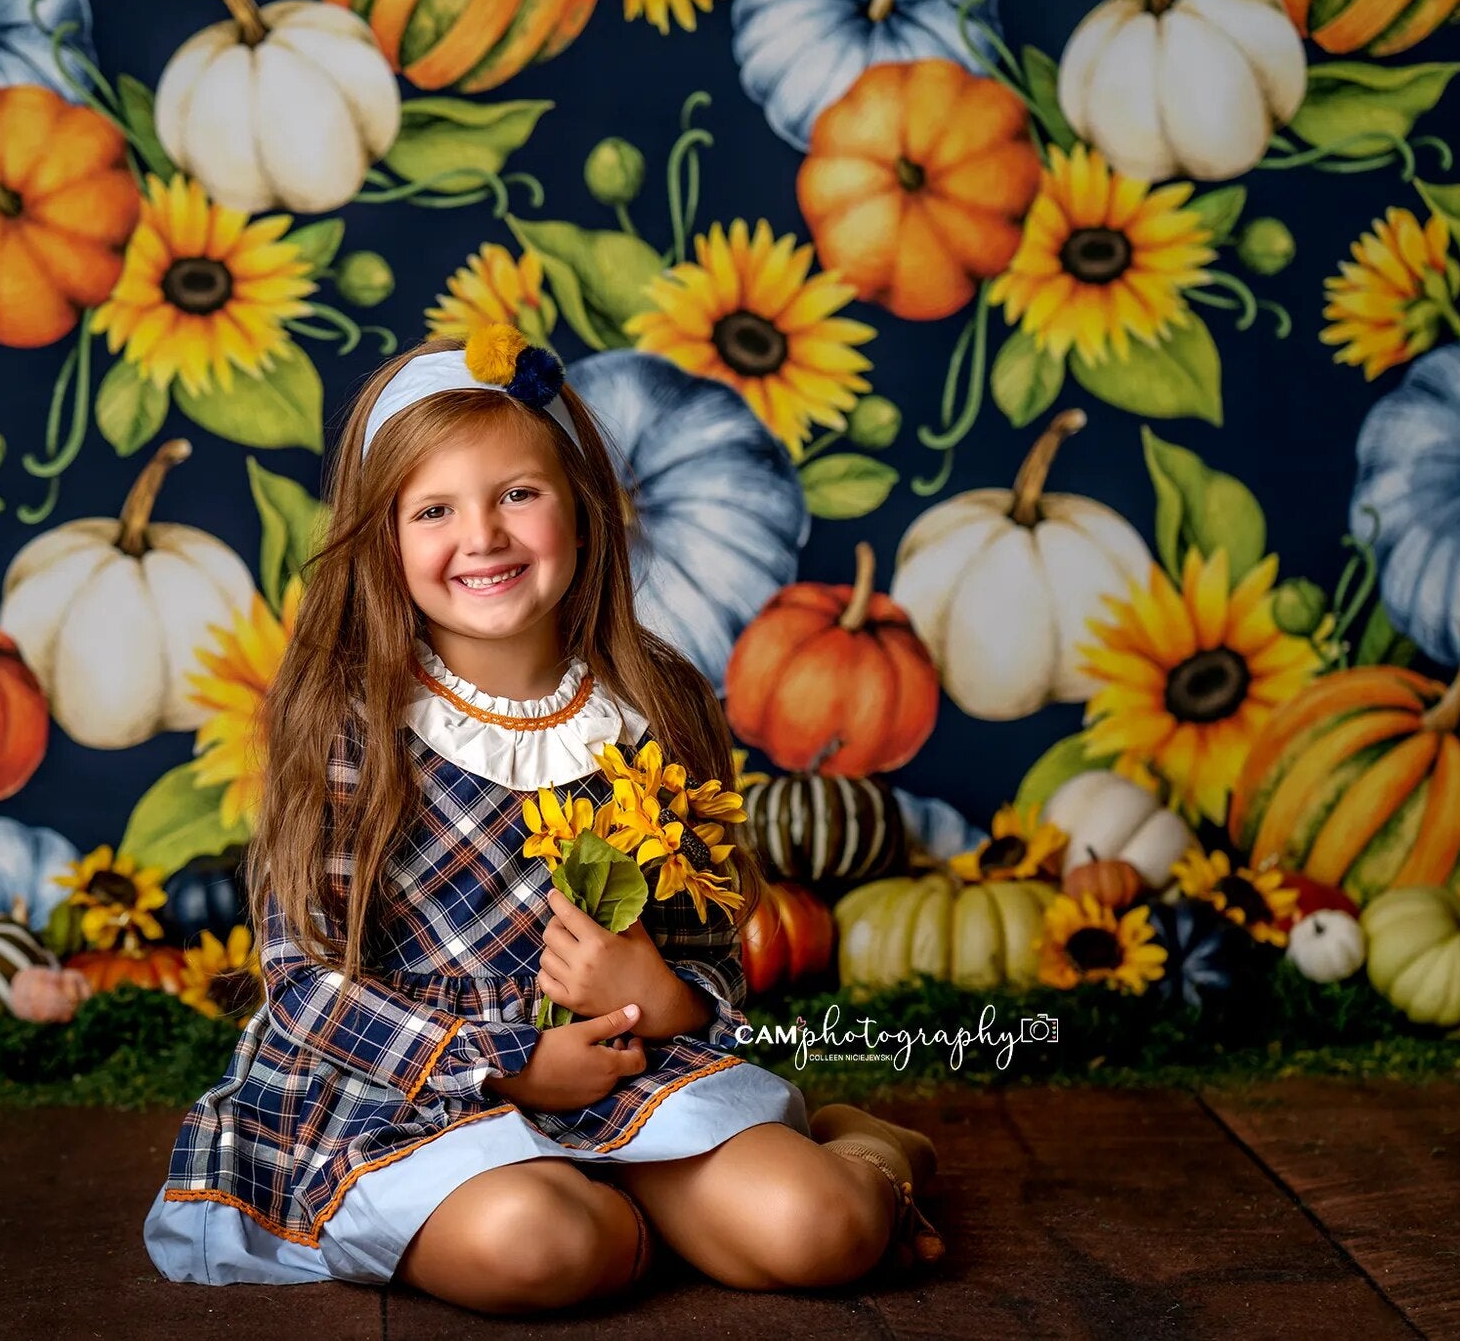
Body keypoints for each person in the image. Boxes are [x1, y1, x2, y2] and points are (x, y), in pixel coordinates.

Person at [143, 325, 941, 1312]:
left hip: (617, 1065)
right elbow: (303, 977)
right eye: (432, 508)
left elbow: (708, 947)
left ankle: (858, 1144)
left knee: (824, 1229)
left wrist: (658, 991)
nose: (482, 537)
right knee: (539, 1242)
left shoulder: (654, 701)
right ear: (380, 536)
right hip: (407, 1085)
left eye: (517, 494)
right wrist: (506, 1065)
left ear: (583, 508)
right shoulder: (352, 722)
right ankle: (619, 1218)